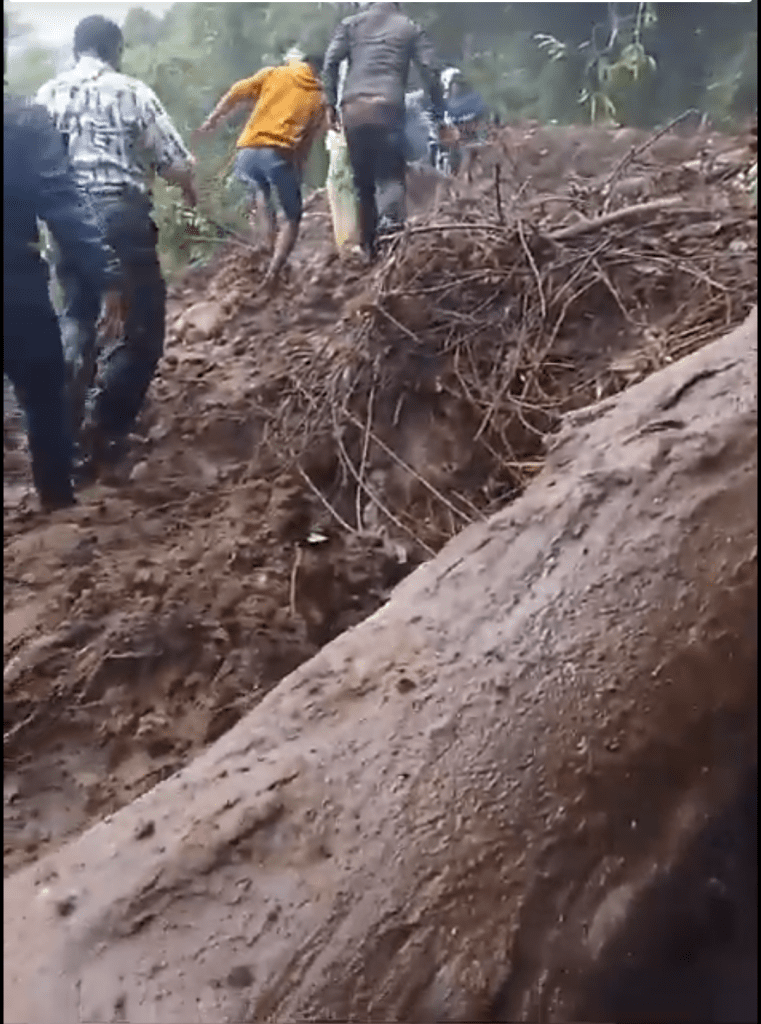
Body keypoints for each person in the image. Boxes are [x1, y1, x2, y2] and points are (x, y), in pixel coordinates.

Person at [36, 15, 197, 471]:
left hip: (65, 223)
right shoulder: (132, 92)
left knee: (78, 315)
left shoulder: (48, 96)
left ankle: (59, 431)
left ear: (75, 49)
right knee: (140, 327)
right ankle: (104, 431)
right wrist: (189, 190)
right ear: (116, 50)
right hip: (119, 216)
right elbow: (173, 162)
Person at [4, 94, 121, 510]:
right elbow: (64, 207)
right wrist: (107, 277)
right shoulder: (23, 119)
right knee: (41, 394)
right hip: (15, 280)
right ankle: (56, 503)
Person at [323, 1, 446, 260]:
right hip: (387, 108)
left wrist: (330, 104)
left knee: (363, 184)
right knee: (390, 176)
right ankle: (391, 238)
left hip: (353, 110)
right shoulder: (409, 27)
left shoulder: (351, 25)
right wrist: (439, 113)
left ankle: (369, 250)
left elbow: (331, 61)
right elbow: (430, 70)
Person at [195, 51, 326, 286]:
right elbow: (305, 142)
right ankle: (274, 272)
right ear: (318, 71)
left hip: (247, 153)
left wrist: (213, 119)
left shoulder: (274, 73)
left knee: (259, 191)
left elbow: (236, 91)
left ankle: (266, 245)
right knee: (293, 218)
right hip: (276, 154)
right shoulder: (318, 97)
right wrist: (298, 169)